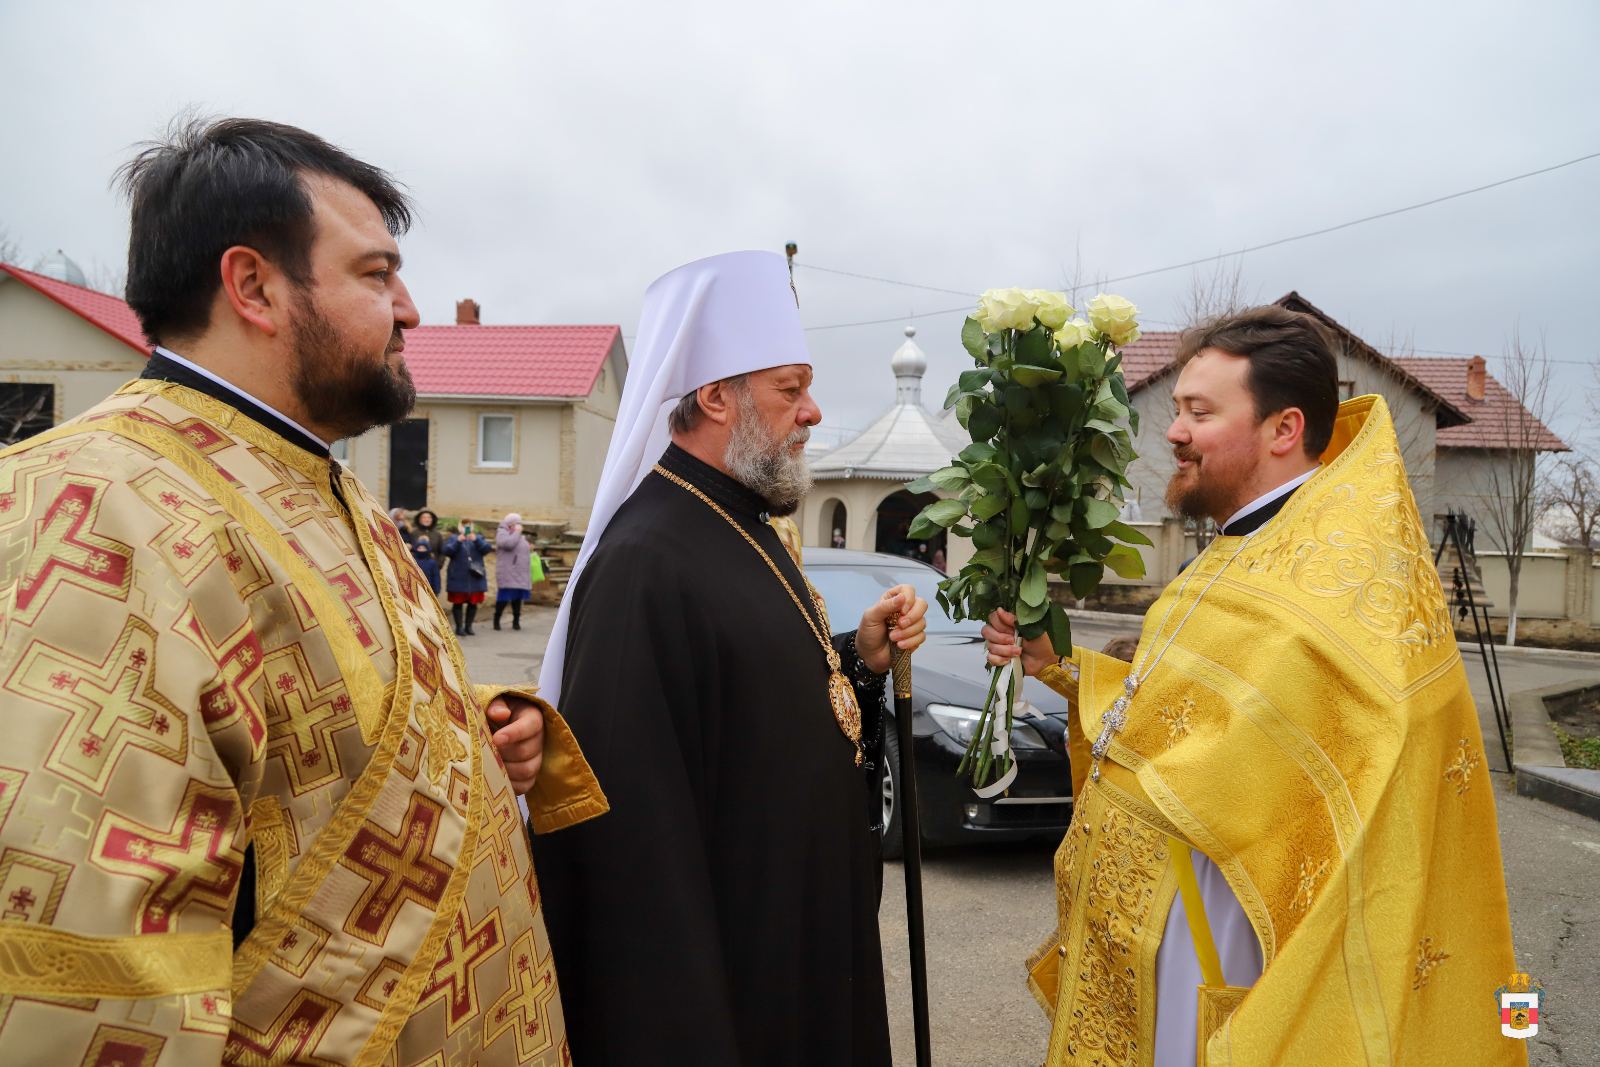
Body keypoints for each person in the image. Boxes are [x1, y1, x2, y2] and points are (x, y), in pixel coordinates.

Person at [0, 117, 607, 1065]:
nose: (410, 308)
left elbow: (294, 717)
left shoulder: (324, 485)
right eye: (377, 274)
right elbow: (95, 957)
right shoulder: (89, 501)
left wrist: (473, 727)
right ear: (253, 286)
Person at [987, 306, 1522, 1065]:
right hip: (1168, 927)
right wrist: (1062, 669)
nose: (1174, 432)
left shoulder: (1338, 578)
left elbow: (1292, 759)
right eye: (1177, 410)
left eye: (1200, 413)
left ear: (1283, 429)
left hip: (1233, 936)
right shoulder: (1243, 547)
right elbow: (1189, 709)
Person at [529, 251, 929, 1067]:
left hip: (804, 949)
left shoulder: (745, 520)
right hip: (741, 986)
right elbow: (633, 845)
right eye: (790, 388)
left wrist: (859, 661)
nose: (813, 411)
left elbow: (761, 698)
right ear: (715, 396)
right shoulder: (644, 562)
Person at [443, 519, 490, 635]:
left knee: (473, 603)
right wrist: (458, 541)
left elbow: (486, 549)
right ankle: (459, 627)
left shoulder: (478, 537)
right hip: (458, 576)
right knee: (457, 603)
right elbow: (447, 551)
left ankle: (469, 626)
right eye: (464, 525)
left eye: (469, 525)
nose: (466, 528)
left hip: (475, 576)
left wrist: (476, 540)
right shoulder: (454, 538)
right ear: (460, 526)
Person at [494, 511, 533, 630]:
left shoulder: (518, 534)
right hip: (508, 572)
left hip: (519, 573)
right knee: (503, 599)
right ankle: (496, 620)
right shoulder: (502, 532)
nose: (519, 526)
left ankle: (516, 621)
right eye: (517, 523)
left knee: (517, 599)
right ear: (510, 523)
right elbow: (508, 544)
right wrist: (517, 532)